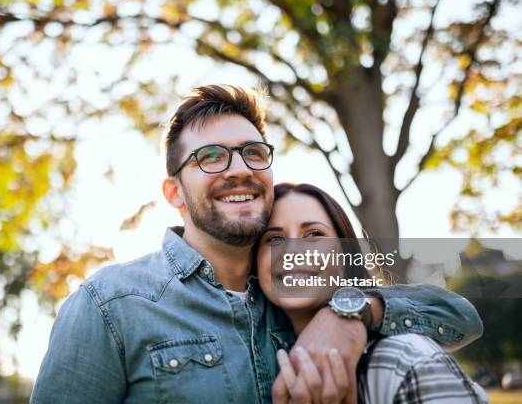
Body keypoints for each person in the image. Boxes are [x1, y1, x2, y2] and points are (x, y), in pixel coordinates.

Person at [31, 85, 483, 403]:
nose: (238, 169)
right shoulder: (112, 304)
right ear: (175, 194)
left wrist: (352, 311)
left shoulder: (292, 298)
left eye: (254, 152)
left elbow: (459, 317)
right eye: (210, 157)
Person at [257, 183, 488, 403]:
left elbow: (464, 313)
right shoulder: (253, 358)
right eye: (274, 238)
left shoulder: (406, 358)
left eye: (314, 234)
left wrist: (349, 311)